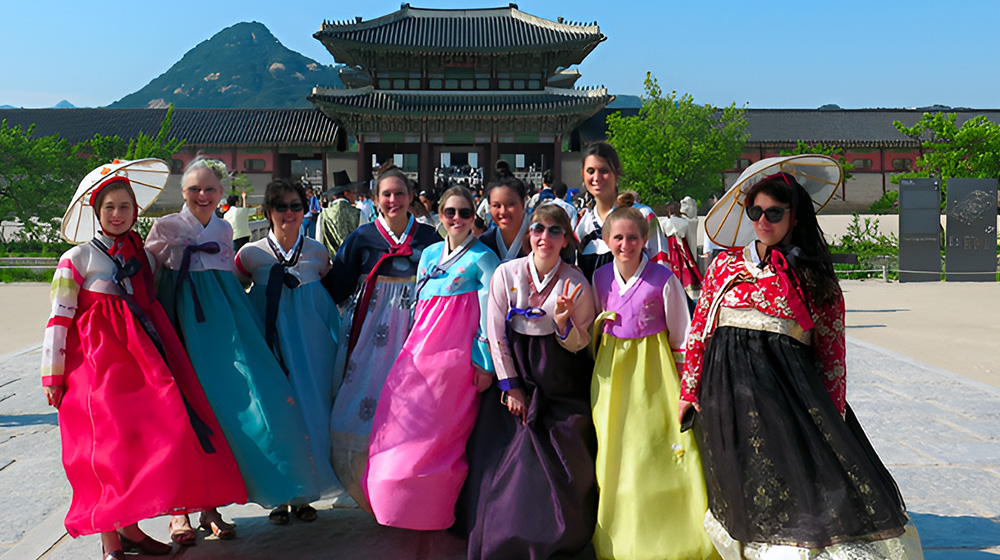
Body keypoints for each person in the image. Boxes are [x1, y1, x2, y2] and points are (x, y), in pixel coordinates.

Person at [680, 172, 923, 559]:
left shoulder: (814, 277)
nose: (763, 222)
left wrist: (834, 415)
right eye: (755, 211)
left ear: (795, 217)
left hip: (787, 397)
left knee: (799, 483)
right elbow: (699, 330)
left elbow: (831, 354)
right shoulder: (724, 267)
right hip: (726, 394)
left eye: (774, 213)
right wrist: (689, 390)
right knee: (741, 479)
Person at [42, 173, 246, 559]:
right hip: (95, 364)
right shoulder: (77, 258)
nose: (117, 215)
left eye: (125, 207)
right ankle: (112, 540)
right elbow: (59, 316)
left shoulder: (142, 255)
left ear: (135, 211)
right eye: (109, 208)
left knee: (150, 441)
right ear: (95, 212)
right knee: (105, 449)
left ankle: (133, 528)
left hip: (140, 360)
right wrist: (52, 375)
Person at [146, 158, 320, 536]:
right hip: (185, 326)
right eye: (194, 189)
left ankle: (215, 505)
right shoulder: (167, 227)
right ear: (183, 192)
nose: (202, 195)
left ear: (222, 192)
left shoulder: (224, 229)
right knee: (185, 412)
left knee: (236, 408)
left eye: (209, 188)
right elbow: (150, 274)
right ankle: (182, 512)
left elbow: (230, 278)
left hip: (226, 326)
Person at [465, 204, 598, 560]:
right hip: (516, 370)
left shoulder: (576, 282)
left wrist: (564, 322)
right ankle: (504, 530)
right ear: (529, 235)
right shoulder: (506, 273)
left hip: (559, 376)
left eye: (555, 231)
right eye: (538, 229)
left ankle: (557, 533)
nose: (545, 238)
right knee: (504, 451)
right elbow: (495, 331)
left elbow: (581, 343)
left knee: (568, 449)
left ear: (567, 239)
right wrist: (510, 386)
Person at [365, 186, 500, 530]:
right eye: (450, 213)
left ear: (474, 218)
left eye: (465, 213)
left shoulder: (484, 259)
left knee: (443, 439)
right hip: (417, 356)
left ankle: (436, 509)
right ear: (439, 216)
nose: (457, 219)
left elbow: (490, 316)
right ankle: (395, 501)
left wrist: (483, 360)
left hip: (455, 363)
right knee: (399, 425)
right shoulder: (429, 255)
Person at [590, 204, 718, 560]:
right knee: (615, 455)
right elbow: (592, 330)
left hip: (654, 376)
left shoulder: (663, 279)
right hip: (612, 376)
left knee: (653, 454)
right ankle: (620, 538)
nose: (626, 244)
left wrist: (686, 388)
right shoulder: (600, 278)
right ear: (606, 240)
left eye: (633, 237)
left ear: (646, 239)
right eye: (618, 237)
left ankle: (672, 537)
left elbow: (682, 334)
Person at [321, 168, 440, 510]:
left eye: (399, 193)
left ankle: (407, 482)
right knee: (359, 400)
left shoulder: (430, 238)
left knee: (413, 405)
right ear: (375, 200)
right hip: (369, 331)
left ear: (410, 197)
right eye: (386, 194)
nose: (393, 200)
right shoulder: (361, 238)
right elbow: (338, 285)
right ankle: (357, 480)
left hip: (415, 330)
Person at [235, 179, 345, 522]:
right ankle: (280, 494)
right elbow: (235, 295)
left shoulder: (316, 252)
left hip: (312, 348)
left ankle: (305, 495)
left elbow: (329, 297)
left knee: (312, 414)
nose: (289, 213)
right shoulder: (250, 254)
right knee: (276, 417)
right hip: (271, 345)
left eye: (296, 206)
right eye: (281, 206)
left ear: (305, 209)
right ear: (268, 212)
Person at [575, 142, 669, 281]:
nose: (596, 177)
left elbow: (662, 269)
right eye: (591, 171)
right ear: (583, 174)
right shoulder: (583, 225)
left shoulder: (642, 216)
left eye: (604, 171)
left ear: (617, 173)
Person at [478, 174, 528, 262]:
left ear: (523, 203)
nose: (503, 211)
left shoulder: (537, 239)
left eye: (510, 204)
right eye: (496, 205)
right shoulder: (483, 243)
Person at [661, 200, 703, 298]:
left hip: (670, 247)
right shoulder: (684, 222)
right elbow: (689, 239)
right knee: (687, 268)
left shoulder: (664, 223)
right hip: (683, 247)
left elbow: (663, 238)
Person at [318, 171, 363, 256]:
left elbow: (319, 243)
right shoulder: (358, 214)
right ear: (346, 194)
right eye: (353, 192)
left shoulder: (324, 215)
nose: (355, 195)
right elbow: (364, 241)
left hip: (332, 265)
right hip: (354, 263)